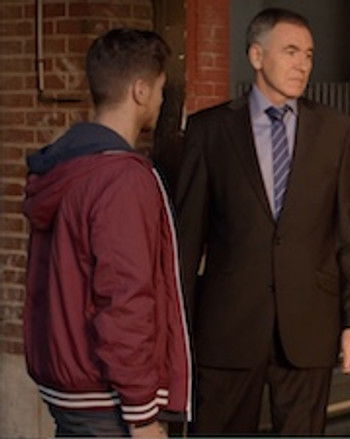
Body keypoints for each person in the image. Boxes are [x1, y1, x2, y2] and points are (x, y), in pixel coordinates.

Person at [175, 8, 350, 435]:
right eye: (291, 51)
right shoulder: (210, 131)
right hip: (228, 328)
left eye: (309, 55)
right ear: (257, 56)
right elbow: (186, 243)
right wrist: (178, 332)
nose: (303, 65)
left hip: (309, 324)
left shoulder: (336, 130)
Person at [22, 29, 189, 438]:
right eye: (161, 90)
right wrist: (142, 414)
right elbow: (125, 298)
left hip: (69, 388)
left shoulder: (67, 166)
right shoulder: (121, 179)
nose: (162, 100)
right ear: (140, 91)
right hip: (107, 401)